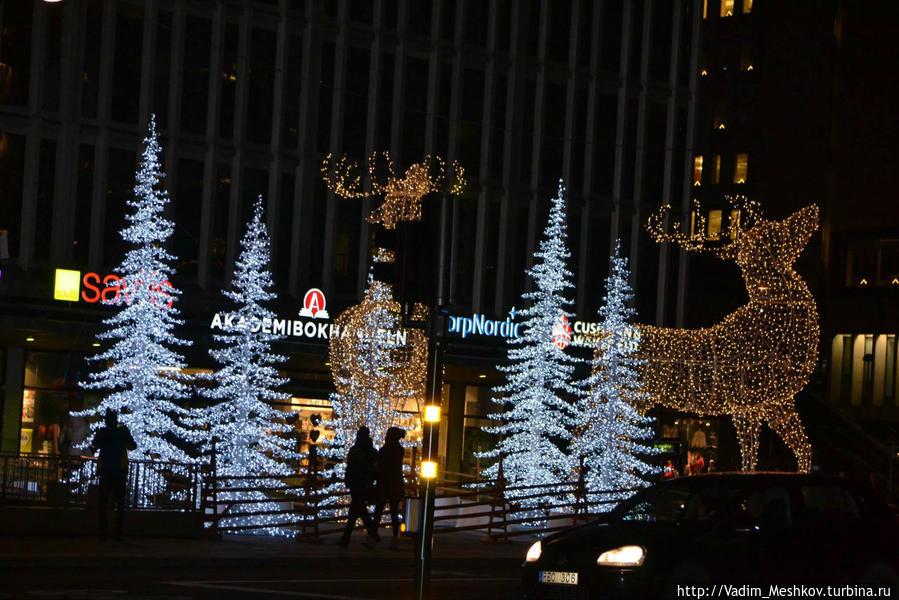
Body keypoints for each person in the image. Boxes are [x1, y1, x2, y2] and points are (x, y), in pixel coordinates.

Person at [91, 409, 136, 539]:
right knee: (120, 502)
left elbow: (95, 444)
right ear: (116, 420)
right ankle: (118, 530)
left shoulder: (102, 432)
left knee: (103, 501)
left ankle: (103, 530)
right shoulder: (122, 432)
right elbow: (133, 446)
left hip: (105, 469)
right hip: (120, 470)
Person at [338, 427, 380, 548]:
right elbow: (376, 468)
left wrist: (348, 481)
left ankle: (346, 539)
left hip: (356, 484)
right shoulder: (372, 451)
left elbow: (350, 468)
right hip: (365, 484)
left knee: (357, 510)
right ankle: (372, 534)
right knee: (359, 509)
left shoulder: (355, 450)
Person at [372, 427, 406, 549]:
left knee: (379, 510)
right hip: (395, 484)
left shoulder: (385, 450)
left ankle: (373, 533)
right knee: (393, 511)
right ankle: (395, 535)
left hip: (385, 484)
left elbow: (381, 466)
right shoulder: (399, 450)